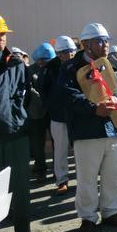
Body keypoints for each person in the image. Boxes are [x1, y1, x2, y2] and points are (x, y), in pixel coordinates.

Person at [59, 22, 117, 232]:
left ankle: (110, 212)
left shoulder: (116, 65)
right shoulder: (70, 68)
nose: (105, 44)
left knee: (112, 175)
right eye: (100, 41)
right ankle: (88, 218)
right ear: (85, 44)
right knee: (87, 178)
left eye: (107, 40)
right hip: (87, 131)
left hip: (113, 129)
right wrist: (93, 108)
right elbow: (67, 95)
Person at [0, 12, 38, 232]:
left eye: (2, 33)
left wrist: (19, 119)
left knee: (21, 189)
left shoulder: (17, 64)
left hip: (16, 135)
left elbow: (27, 97)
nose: (0, 38)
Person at [41, 35, 77, 194]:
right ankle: (62, 180)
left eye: (69, 52)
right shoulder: (50, 68)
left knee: (81, 149)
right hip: (58, 115)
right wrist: (52, 106)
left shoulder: (79, 65)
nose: (66, 55)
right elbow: (43, 90)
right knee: (60, 149)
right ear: (58, 53)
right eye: (63, 52)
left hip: (77, 114)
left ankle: (83, 177)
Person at [27, 43, 55, 182]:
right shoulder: (30, 70)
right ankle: (40, 170)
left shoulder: (53, 69)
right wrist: (46, 100)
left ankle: (58, 170)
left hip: (52, 113)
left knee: (57, 143)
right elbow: (30, 90)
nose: (43, 62)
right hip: (36, 113)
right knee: (38, 144)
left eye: (47, 60)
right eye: (41, 59)